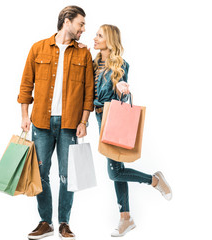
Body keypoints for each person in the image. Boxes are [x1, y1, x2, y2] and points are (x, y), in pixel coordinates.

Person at [17, 5, 94, 240]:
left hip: (71, 124)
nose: (83, 28)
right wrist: (24, 115)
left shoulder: (83, 53)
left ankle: (64, 223)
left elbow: (89, 92)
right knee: (40, 173)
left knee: (68, 175)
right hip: (40, 123)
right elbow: (26, 84)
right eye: (80, 23)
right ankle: (45, 221)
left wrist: (84, 121)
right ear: (67, 21)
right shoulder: (38, 48)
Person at [93, 24, 172, 237]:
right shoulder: (92, 63)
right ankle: (125, 218)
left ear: (109, 40)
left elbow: (121, 86)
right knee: (116, 168)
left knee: (114, 171)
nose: (95, 38)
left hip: (112, 118)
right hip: (99, 118)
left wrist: (121, 88)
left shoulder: (121, 64)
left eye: (99, 35)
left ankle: (154, 180)